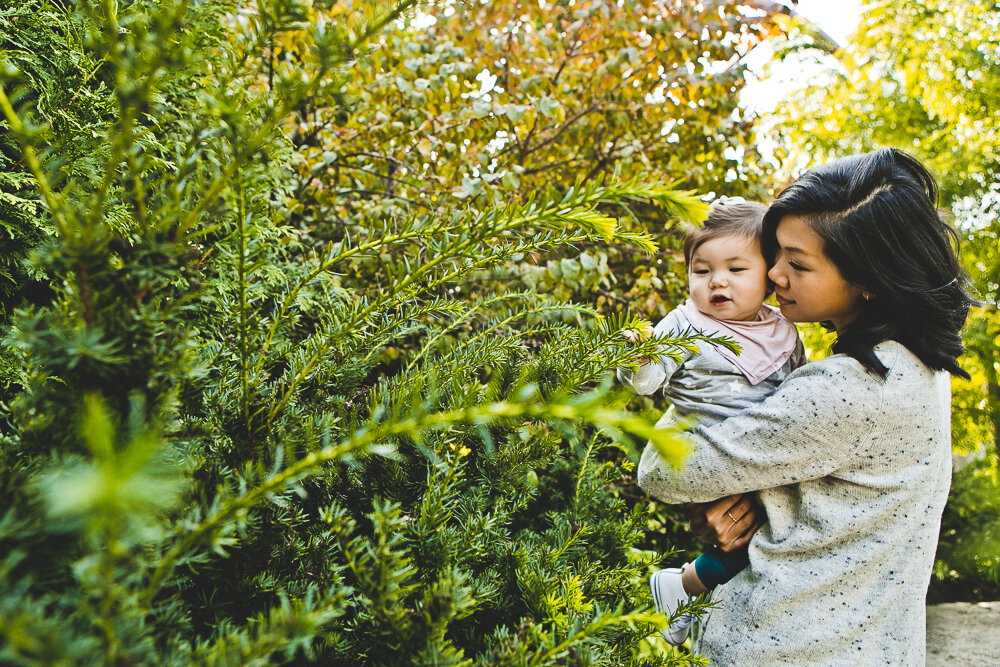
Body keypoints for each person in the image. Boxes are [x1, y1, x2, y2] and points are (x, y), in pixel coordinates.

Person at [637, 148, 974, 664]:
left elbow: (662, 470)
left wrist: (691, 404)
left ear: (868, 280)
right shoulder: (921, 365)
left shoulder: (850, 387)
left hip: (785, 643)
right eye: (776, 254)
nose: (773, 274)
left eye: (797, 263)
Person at [619, 198, 805, 644]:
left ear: (769, 273)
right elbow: (646, 383)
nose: (717, 281)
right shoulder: (684, 323)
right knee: (746, 541)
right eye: (701, 271)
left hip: (755, 458)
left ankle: (684, 593)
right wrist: (640, 357)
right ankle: (683, 590)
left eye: (736, 270)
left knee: (759, 541)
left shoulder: (783, 330)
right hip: (699, 448)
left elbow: (799, 392)